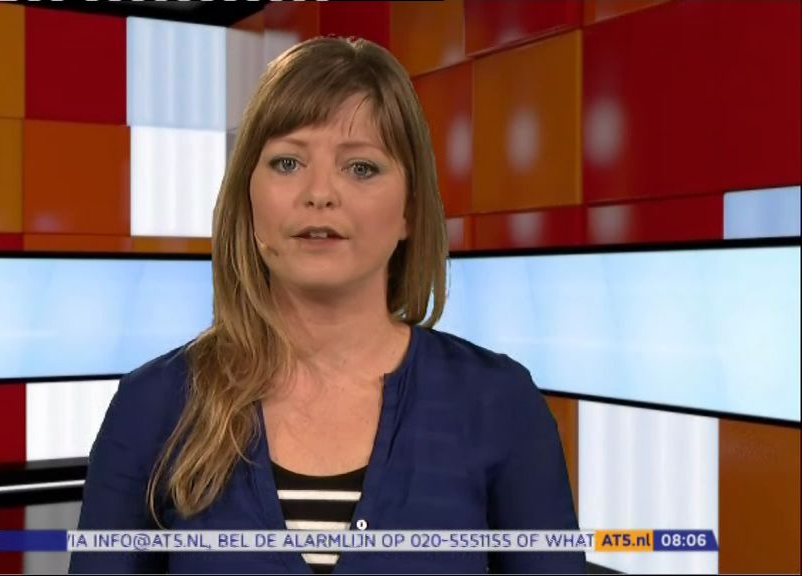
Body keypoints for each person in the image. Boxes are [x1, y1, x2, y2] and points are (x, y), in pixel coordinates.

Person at [70, 36, 584, 574]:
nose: (319, 193)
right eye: (287, 162)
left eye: (360, 168)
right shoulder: (152, 406)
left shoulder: (500, 404)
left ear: (410, 210)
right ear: (248, 198)